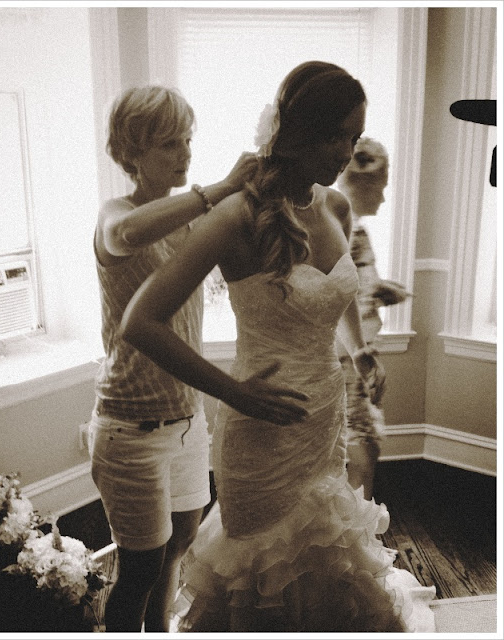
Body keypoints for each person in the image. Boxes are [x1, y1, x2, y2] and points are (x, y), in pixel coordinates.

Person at [119, 62, 436, 632]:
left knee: (328, 567)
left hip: (324, 420)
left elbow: (335, 295)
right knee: (262, 579)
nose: (347, 152)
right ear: (299, 132)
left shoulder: (336, 208)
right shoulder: (236, 215)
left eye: (355, 137)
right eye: (337, 135)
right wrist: (233, 392)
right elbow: (141, 322)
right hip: (260, 435)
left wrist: (360, 352)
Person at [87, 85, 257, 632]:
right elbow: (129, 233)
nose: (184, 153)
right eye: (168, 143)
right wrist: (220, 189)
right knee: (139, 568)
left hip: (188, 420)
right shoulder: (115, 214)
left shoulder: (190, 220)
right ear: (131, 153)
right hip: (129, 429)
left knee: (181, 545)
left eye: (187, 140)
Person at [336, 136, 411, 500]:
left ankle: (354, 521)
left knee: (364, 446)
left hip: (356, 357)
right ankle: (355, 524)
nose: (383, 197)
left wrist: (379, 290)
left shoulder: (357, 230)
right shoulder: (343, 229)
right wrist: (359, 356)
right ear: (363, 186)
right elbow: (334, 296)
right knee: (362, 449)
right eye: (381, 188)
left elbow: (353, 288)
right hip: (345, 362)